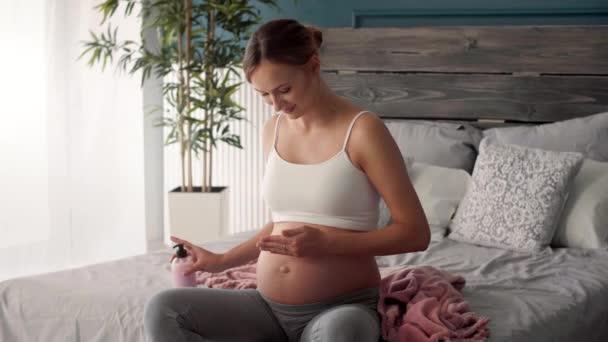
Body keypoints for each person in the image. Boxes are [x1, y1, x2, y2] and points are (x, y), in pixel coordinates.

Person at [144, 18, 430, 342]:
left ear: (314, 65)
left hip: (340, 310)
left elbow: (415, 233)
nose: (276, 105)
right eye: (264, 94)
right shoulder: (273, 129)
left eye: (284, 89)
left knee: (343, 334)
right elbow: (280, 227)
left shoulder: (363, 131)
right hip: (266, 308)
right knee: (164, 308)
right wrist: (220, 261)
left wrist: (329, 244)